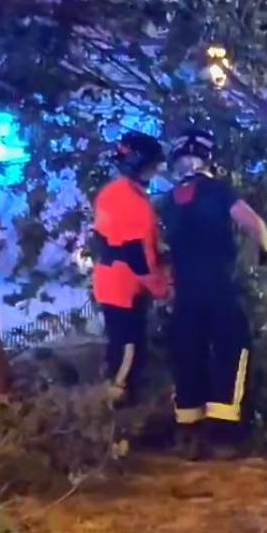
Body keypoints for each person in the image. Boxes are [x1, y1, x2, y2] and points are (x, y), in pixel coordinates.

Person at [159, 128, 267, 458]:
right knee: (231, 350)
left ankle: (189, 433)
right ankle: (226, 435)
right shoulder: (219, 191)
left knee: (187, 355)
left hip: (185, 292)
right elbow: (255, 225)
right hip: (219, 287)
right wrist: (266, 253)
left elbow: (161, 247)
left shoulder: (169, 200)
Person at [90, 132, 170, 404]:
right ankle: (117, 404)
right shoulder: (133, 202)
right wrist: (161, 288)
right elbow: (137, 256)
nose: (156, 170)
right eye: (152, 165)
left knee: (120, 343)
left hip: (111, 282)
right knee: (128, 349)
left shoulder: (113, 193)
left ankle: (117, 399)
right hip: (125, 287)